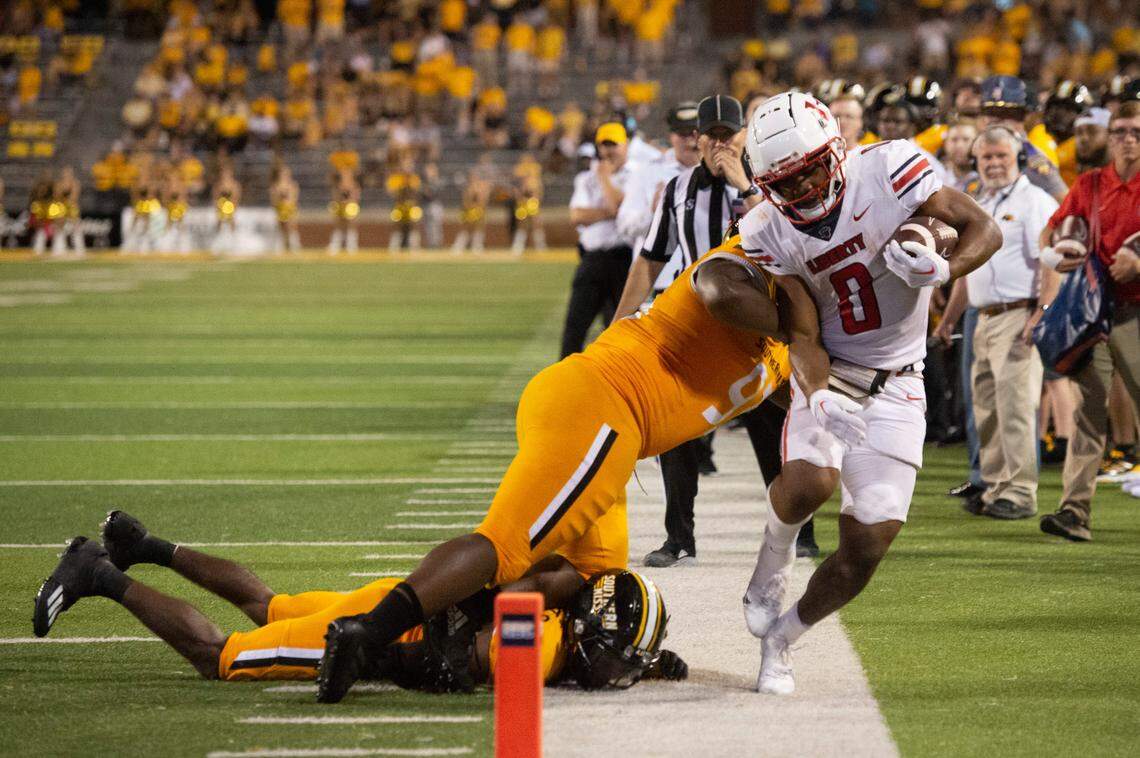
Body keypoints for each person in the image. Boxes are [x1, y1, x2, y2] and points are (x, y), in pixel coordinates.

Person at [315, 223, 793, 703]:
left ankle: (466, 614)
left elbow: (799, 392)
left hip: (606, 419)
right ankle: (368, 635)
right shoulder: (745, 268)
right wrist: (800, 327)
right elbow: (718, 288)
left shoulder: (787, 348)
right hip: (602, 407)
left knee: (593, 572)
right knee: (505, 544)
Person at [740, 91, 1000, 695]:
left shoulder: (888, 168)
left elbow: (982, 228)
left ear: (833, 149)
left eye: (809, 170)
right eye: (787, 181)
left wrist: (946, 269)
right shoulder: (767, 227)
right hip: (836, 366)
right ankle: (769, 568)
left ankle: (783, 637)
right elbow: (800, 330)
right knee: (811, 481)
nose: (802, 190)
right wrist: (819, 392)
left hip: (902, 381)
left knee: (868, 546)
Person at [32, 512, 687, 692]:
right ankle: (99, 573)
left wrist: (653, 661)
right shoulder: (542, 644)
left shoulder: (558, 602)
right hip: (386, 634)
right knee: (221, 657)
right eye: (622, 656)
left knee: (271, 605)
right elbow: (464, 663)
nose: (619, 668)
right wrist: (371, 658)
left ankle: (143, 545)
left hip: (395, 599)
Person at [611, 94, 776, 567]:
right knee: (676, 428)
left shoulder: (764, 181)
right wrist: (621, 322)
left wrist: (743, 184)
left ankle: (796, 530)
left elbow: (778, 237)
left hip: (757, 324)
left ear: (743, 136)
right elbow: (651, 258)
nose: (722, 143)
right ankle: (679, 536)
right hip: (696, 323)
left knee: (771, 427)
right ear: (698, 138)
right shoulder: (678, 188)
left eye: (730, 134)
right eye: (714, 135)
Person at [934, 126, 1058, 519]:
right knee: (986, 407)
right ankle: (995, 486)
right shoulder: (980, 201)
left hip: (1018, 313)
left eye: (1001, 156)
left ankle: (1020, 492)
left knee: (1017, 407)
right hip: (983, 317)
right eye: (986, 157)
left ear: (1018, 157)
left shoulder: (1033, 201)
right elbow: (970, 273)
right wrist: (948, 318)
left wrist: (1042, 313)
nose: (993, 163)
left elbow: (1050, 262)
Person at [1032, 101, 1140, 541]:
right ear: (1109, 136)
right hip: (1092, 311)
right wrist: (1056, 255)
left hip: (1135, 310)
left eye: (1135, 131)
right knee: (1088, 412)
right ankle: (1074, 511)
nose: (1128, 139)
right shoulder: (1090, 183)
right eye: (1120, 131)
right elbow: (1051, 230)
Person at [560, 121, 641, 358]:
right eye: (603, 145)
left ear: (625, 146)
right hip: (592, 259)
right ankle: (563, 387)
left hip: (623, 260)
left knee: (619, 330)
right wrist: (610, 211)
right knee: (574, 329)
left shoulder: (636, 175)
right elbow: (577, 216)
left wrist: (605, 180)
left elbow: (618, 206)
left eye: (613, 145)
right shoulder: (586, 178)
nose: (607, 151)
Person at [976, 75, 1068, 202]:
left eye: (1005, 113)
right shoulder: (979, 149)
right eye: (990, 112)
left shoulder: (1031, 158)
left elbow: (1063, 202)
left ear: (1024, 116)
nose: (995, 119)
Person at [452, 156, 493, 254]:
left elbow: (483, 201)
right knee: (465, 227)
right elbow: (466, 201)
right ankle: (459, 245)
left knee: (479, 226)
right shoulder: (469, 188)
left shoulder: (482, 186)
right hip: (469, 209)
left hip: (478, 210)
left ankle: (477, 245)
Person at [328, 168, 361, 255]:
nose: (345, 176)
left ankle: (352, 246)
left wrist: (349, 200)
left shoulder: (354, 185)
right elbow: (335, 197)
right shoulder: (338, 185)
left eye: (347, 174)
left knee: (351, 225)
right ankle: (335, 245)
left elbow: (355, 197)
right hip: (340, 206)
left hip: (350, 206)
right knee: (338, 225)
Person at [53, 166, 84, 256]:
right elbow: (56, 195)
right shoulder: (59, 183)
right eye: (65, 173)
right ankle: (59, 248)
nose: (66, 175)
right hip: (62, 206)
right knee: (59, 227)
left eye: (68, 173)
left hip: (71, 206)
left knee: (76, 227)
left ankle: (79, 249)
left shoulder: (75, 183)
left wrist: (68, 199)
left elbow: (74, 196)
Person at [270, 163, 301, 253]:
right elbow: (274, 200)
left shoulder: (293, 185)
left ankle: (295, 247)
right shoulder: (275, 186)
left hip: (290, 209)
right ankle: (280, 247)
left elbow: (294, 199)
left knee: (292, 227)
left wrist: (288, 206)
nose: (285, 175)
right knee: (281, 229)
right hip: (279, 209)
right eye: (283, 173)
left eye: (286, 173)